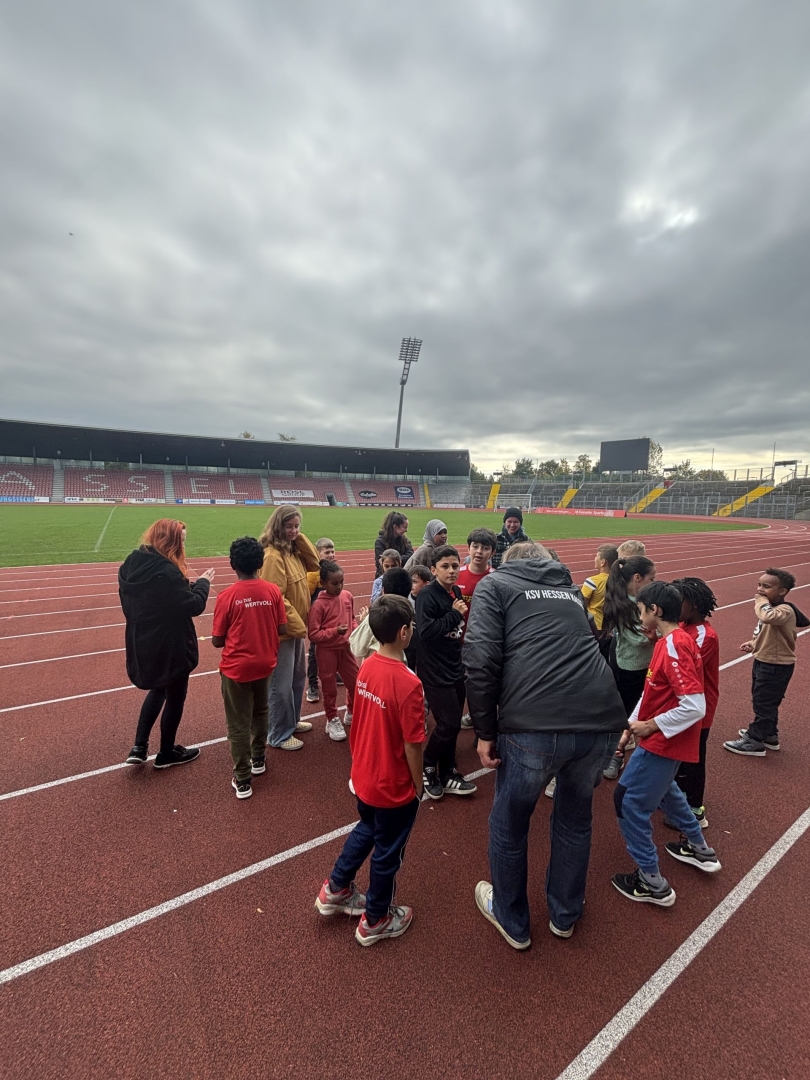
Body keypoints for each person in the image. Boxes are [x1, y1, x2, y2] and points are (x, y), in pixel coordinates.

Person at [464, 541, 627, 949]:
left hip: (534, 723)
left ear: (508, 562)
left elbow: (480, 658)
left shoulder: (494, 585)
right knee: (575, 818)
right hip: (600, 718)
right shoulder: (569, 590)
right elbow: (590, 643)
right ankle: (564, 913)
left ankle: (512, 918)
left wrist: (484, 731)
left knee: (509, 823)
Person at [315, 595, 425, 946]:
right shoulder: (409, 683)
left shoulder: (366, 667)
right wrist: (418, 784)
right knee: (388, 851)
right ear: (404, 632)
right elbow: (413, 744)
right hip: (393, 785)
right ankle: (376, 918)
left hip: (364, 774)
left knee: (367, 828)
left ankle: (337, 886)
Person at [612, 581, 721, 908]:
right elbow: (652, 691)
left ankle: (651, 880)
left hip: (663, 741)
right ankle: (698, 847)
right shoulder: (669, 641)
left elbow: (694, 706)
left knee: (627, 800)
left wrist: (649, 725)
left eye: (641, 610)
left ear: (654, 610)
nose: (639, 616)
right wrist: (632, 724)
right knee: (667, 791)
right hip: (664, 739)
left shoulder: (675, 645)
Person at [120, 519, 214, 768]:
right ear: (170, 542)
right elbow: (193, 605)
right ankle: (166, 753)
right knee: (175, 696)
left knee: (158, 689)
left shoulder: (131, 564)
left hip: (142, 639)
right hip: (171, 644)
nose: (183, 546)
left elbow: (160, 596)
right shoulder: (168, 572)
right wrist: (203, 584)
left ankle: (139, 745)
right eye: (181, 541)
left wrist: (185, 587)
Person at [211, 537, 287, 799]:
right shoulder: (272, 591)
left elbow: (217, 640)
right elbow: (282, 627)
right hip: (265, 663)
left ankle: (243, 778)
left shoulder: (227, 596)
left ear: (233, 564)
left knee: (238, 721)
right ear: (260, 563)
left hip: (237, 668)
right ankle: (258, 759)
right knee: (261, 710)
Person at [724, 568, 808, 756]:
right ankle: (769, 734)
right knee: (763, 699)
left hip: (775, 665)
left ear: (783, 591)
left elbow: (768, 617)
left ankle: (755, 740)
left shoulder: (784, 610)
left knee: (764, 703)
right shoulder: (773, 608)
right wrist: (754, 643)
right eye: (759, 585)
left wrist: (761, 601)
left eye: (767, 586)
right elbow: (769, 633)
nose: (760, 589)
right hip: (765, 660)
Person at [415, 545, 477, 799]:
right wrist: (453, 615)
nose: (451, 571)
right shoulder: (427, 596)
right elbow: (426, 632)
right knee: (448, 723)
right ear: (433, 570)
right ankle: (427, 765)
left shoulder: (456, 591)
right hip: (434, 669)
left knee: (453, 723)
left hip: (454, 665)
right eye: (445, 566)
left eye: (454, 565)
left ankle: (448, 770)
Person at [258, 505, 320, 750]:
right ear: (278, 526)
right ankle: (278, 733)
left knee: (297, 678)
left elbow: (315, 564)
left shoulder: (292, 550)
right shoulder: (273, 556)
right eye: (289, 526)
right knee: (280, 685)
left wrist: (299, 538)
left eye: (297, 526)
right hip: (284, 631)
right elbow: (276, 597)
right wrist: (297, 626)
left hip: (295, 628)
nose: (294, 531)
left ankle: (291, 722)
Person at [601, 555, 658, 780]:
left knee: (637, 707)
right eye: (651, 578)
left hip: (639, 663)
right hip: (630, 666)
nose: (654, 582)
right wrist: (661, 631)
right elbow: (637, 638)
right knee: (626, 710)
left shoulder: (635, 602)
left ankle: (625, 742)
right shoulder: (626, 605)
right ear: (637, 578)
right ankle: (616, 753)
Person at [669, 577, 719, 827]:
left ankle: (694, 807)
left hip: (698, 708)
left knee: (694, 757)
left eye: (679, 602)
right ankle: (676, 799)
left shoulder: (704, 635)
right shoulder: (681, 626)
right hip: (680, 705)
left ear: (695, 604)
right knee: (678, 754)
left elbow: (682, 663)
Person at [308, 560, 359, 742]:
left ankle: (351, 711)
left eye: (341, 582)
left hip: (345, 650)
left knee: (355, 683)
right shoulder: (318, 605)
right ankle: (331, 719)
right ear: (323, 583)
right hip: (327, 652)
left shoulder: (347, 596)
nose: (339, 587)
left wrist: (355, 630)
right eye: (334, 583)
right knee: (329, 688)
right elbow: (313, 634)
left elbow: (352, 618)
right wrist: (335, 631)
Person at [456, 527, 497, 728]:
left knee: (480, 684)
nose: (479, 551)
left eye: (485, 548)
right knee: (457, 681)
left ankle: (476, 716)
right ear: (469, 548)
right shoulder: (456, 575)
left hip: (482, 642)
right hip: (456, 639)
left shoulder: (497, 578)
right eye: (475, 546)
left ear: (492, 552)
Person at [350, 568, 413, 664]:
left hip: (376, 665)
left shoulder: (378, 614)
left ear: (383, 590)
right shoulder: (410, 613)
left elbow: (357, 648)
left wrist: (367, 620)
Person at [306, 537, 336, 703]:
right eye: (327, 552)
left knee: (335, 645)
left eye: (332, 551)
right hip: (318, 618)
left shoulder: (335, 569)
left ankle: (334, 673)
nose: (331, 555)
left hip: (333, 615)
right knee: (315, 650)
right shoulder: (313, 574)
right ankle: (312, 684)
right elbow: (307, 596)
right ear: (317, 554)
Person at [581, 544, 619, 639]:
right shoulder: (619, 581)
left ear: (603, 562)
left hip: (595, 624)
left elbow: (582, 604)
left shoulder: (592, 582)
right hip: (612, 625)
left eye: (596, 556)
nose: (594, 558)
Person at [374, 512, 414, 576]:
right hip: (384, 576)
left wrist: (391, 559)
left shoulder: (405, 540)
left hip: (401, 574)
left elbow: (411, 556)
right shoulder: (380, 541)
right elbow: (380, 563)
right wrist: (398, 560)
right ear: (395, 527)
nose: (406, 530)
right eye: (404, 527)